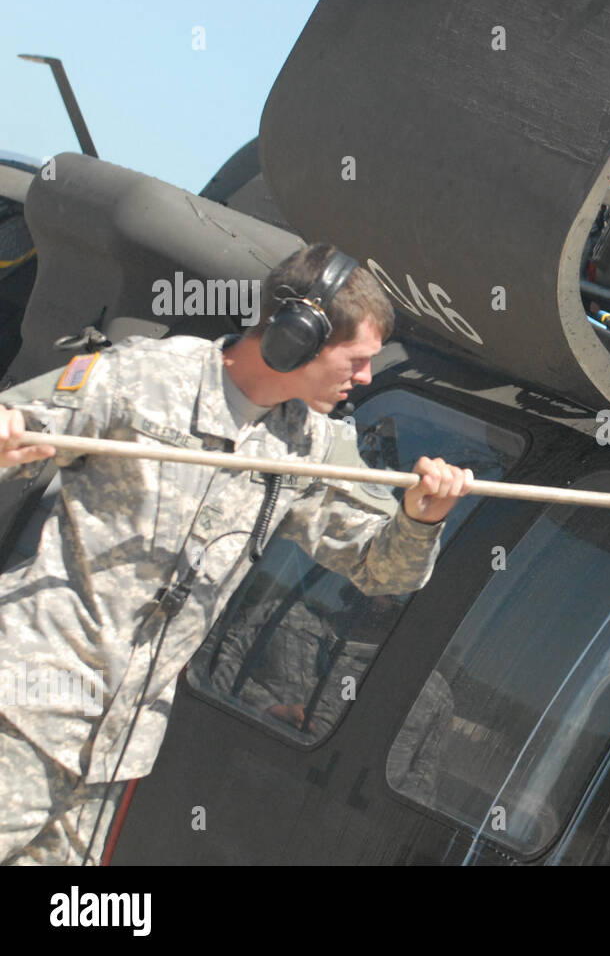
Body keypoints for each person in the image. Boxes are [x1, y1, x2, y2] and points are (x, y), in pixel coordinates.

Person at [0, 242, 472, 865]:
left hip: (116, 747)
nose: (365, 378)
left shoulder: (306, 444)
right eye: (356, 359)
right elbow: (20, 421)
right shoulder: (142, 378)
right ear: (296, 338)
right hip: (30, 707)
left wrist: (421, 517)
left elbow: (383, 570)